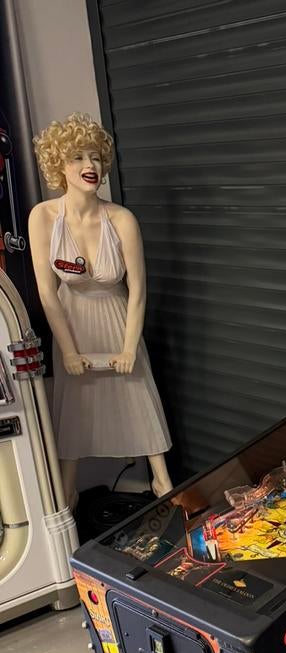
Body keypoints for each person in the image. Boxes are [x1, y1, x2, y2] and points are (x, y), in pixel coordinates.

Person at [28, 113, 171, 510]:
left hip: (118, 321)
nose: (89, 165)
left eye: (94, 156)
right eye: (77, 157)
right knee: (76, 418)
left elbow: (138, 289)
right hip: (72, 327)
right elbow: (47, 292)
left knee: (141, 407)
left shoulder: (121, 219)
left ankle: (165, 490)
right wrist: (69, 351)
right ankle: (66, 504)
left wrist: (129, 347)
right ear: (59, 164)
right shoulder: (43, 217)